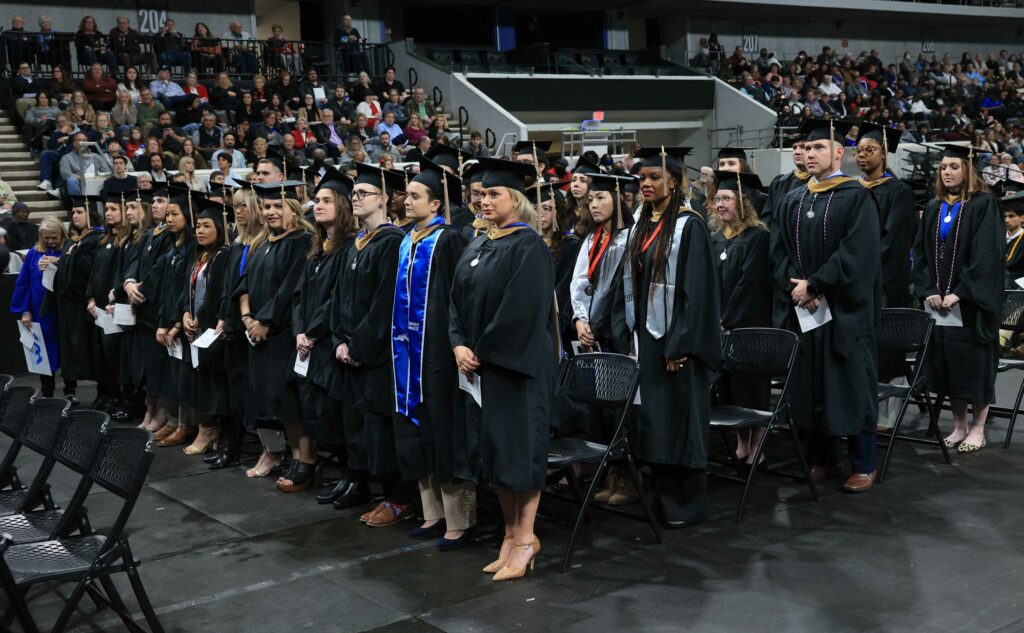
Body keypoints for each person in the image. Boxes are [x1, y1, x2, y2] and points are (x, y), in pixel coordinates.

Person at [449, 157, 556, 579]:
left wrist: (481, 351)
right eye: (482, 194)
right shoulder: (480, 243)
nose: (485, 201)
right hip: (481, 368)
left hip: (516, 368)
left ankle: (526, 538)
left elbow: (520, 311)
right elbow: (454, 301)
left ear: (516, 198)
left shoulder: (529, 246)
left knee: (519, 453)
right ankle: (510, 537)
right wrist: (458, 344)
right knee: (495, 454)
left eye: (495, 194)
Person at [612, 147, 721, 527]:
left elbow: (698, 293)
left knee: (680, 419)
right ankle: (659, 497)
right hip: (647, 340)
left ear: (674, 181)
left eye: (655, 177)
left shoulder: (689, 227)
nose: (646, 183)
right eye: (642, 177)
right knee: (655, 420)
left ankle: (684, 505)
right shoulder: (642, 225)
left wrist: (680, 343)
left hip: (677, 344)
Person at [771, 118, 881, 492]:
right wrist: (798, 288)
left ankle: (864, 463)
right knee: (811, 385)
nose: (811, 153)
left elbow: (857, 253)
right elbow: (778, 252)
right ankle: (824, 456)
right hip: (807, 311)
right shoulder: (793, 199)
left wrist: (816, 284)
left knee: (850, 384)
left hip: (845, 311)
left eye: (819, 147)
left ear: (838, 153)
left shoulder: (857, 196)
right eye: (807, 147)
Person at [389, 159, 475, 547]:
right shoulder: (407, 239)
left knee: (444, 430)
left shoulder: (448, 239)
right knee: (418, 427)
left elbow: (459, 298)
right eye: (407, 195)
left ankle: (460, 519)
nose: (406, 201)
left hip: (439, 352)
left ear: (436, 203)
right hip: (408, 352)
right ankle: (432, 513)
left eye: (415, 196)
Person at [330, 164, 409, 521]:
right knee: (358, 425)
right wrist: (339, 340)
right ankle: (366, 486)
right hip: (350, 352)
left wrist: (358, 347)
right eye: (354, 193)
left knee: (383, 428)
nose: (356, 198)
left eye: (364, 193)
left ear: (384, 199)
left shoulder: (391, 243)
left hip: (377, 356)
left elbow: (384, 304)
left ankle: (398, 498)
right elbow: (338, 297)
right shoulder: (356, 244)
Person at [912, 145, 1003, 454]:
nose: (947, 172)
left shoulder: (984, 205)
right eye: (943, 167)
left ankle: (978, 428)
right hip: (940, 305)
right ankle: (959, 425)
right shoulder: (934, 207)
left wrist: (961, 292)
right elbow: (920, 254)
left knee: (974, 366)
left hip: (971, 305)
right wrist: (928, 289)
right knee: (948, 365)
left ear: (968, 170)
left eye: (954, 166)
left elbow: (987, 255)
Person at [238, 181, 315, 478]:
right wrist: (247, 317)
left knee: (288, 399)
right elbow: (243, 283)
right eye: (267, 206)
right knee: (266, 398)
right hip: (257, 333)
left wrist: (265, 321)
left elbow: (290, 289)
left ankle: (302, 458)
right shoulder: (261, 243)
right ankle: (282, 454)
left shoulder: (302, 241)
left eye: (278, 206)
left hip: (283, 333)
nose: (271, 211)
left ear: (293, 210)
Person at [708, 171, 772, 466]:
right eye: (717, 199)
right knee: (729, 388)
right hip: (721, 328)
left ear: (743, 203)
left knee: (751, 387)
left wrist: (726, 318)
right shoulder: (715, 239)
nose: (720, 204)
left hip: (749, 328)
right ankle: (741, 441)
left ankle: (758, 441)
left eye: (726, 198)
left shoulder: (757, 237)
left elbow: (750, 285)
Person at [855, 123, 917, 311]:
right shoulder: (851, 189)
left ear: (883, 153)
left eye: (869, 150)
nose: (862, 155)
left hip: (884, 278)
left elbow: (893, 241)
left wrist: (862, 264)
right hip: (852, 275)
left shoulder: (899, 191)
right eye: (859, 150)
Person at [10, 217, 68, 397]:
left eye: (54, 237)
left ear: (62, 234)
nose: (50, 241)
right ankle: (47, 392)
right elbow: (23, 283)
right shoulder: (34, 254)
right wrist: (25, 311)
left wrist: (59, 262)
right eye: (46, 237)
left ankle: (70, 390)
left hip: (64, 310)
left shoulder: (68, 251)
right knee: (44, 351)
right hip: (40, 311)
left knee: (66, 350)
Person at [765, 136, 810, 226]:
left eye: (803, 147)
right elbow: (768, 218)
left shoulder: (821, 183)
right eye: (794, 148)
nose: (797, 152)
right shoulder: (779, 183)